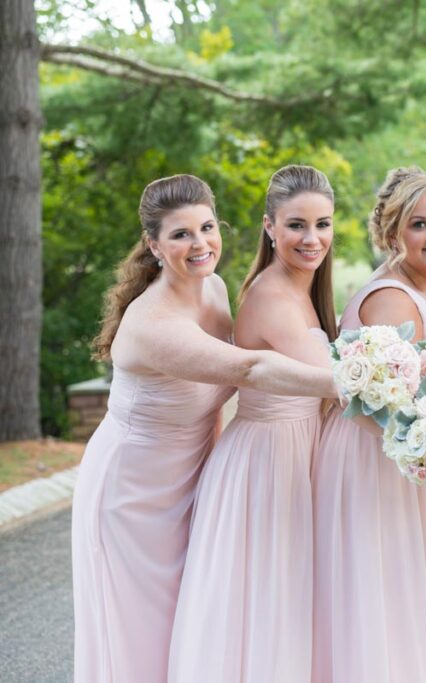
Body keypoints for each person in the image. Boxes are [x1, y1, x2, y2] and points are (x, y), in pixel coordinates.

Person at [72, 174, 336, 683]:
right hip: (131, 495)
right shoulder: (152, 324)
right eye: (180, 235)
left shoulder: (214, 288)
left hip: (191, 485)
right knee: (134, 636)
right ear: (152, 244)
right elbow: (249, 369)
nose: (200, 244)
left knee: (189, 630)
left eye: (207, 228)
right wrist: (347, 382)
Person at [167, 165, 338, 682]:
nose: (312, 239)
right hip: (267, 462)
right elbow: (335, 380)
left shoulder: (302, 288)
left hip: (297, 451)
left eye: (323, 224)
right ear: (270, 227)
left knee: (292, 607)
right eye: (296, 225)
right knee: (268, 610)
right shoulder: (270, 294)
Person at [312, 167, 426, 683]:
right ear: (392, 232)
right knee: (386, 596)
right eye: (420, 224)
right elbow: (388, 405)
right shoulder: (391, 298)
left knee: (405, 596)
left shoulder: (423, 289)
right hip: (376, 464)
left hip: (406, 459)